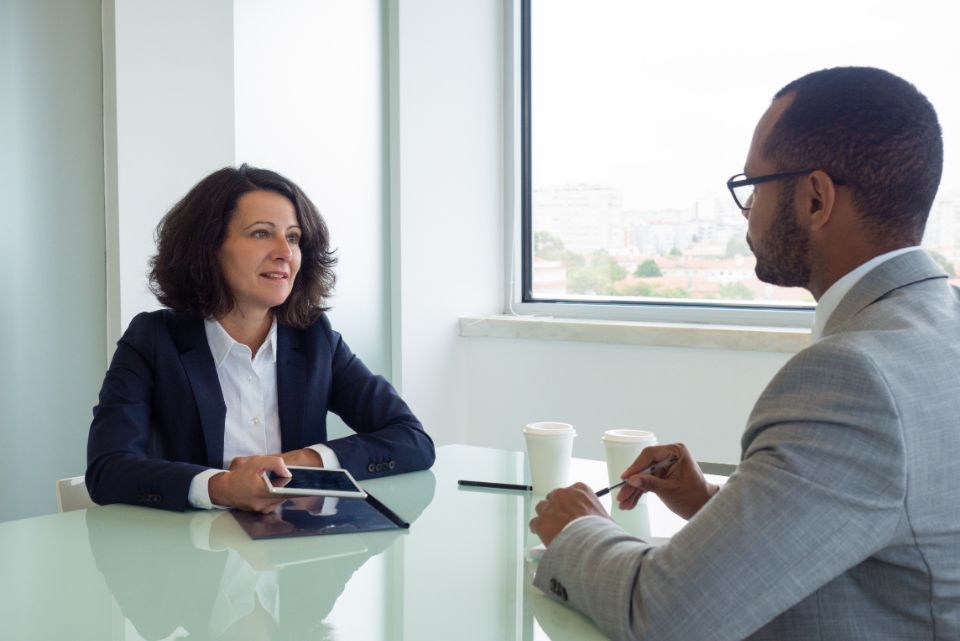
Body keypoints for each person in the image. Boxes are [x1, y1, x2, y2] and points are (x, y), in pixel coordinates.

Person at [529, 67, 960, 640]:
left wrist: (578, 529)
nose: (749, 213)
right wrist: (710, 500)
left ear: (814, 198)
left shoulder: (855, 376)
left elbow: (667, 617)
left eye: (754, 187)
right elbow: (885, 530)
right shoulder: (940, 325)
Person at [87, 165, 435, 512]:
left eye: (294, 237)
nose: (284, 251)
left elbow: (412, 440)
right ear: (209, 247)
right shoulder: (152, 340)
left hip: (295, 553)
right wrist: (222, 487)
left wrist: (303, 460)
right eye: (260, 234)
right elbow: (108, 469)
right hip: (192, 553)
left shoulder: (315, 339)